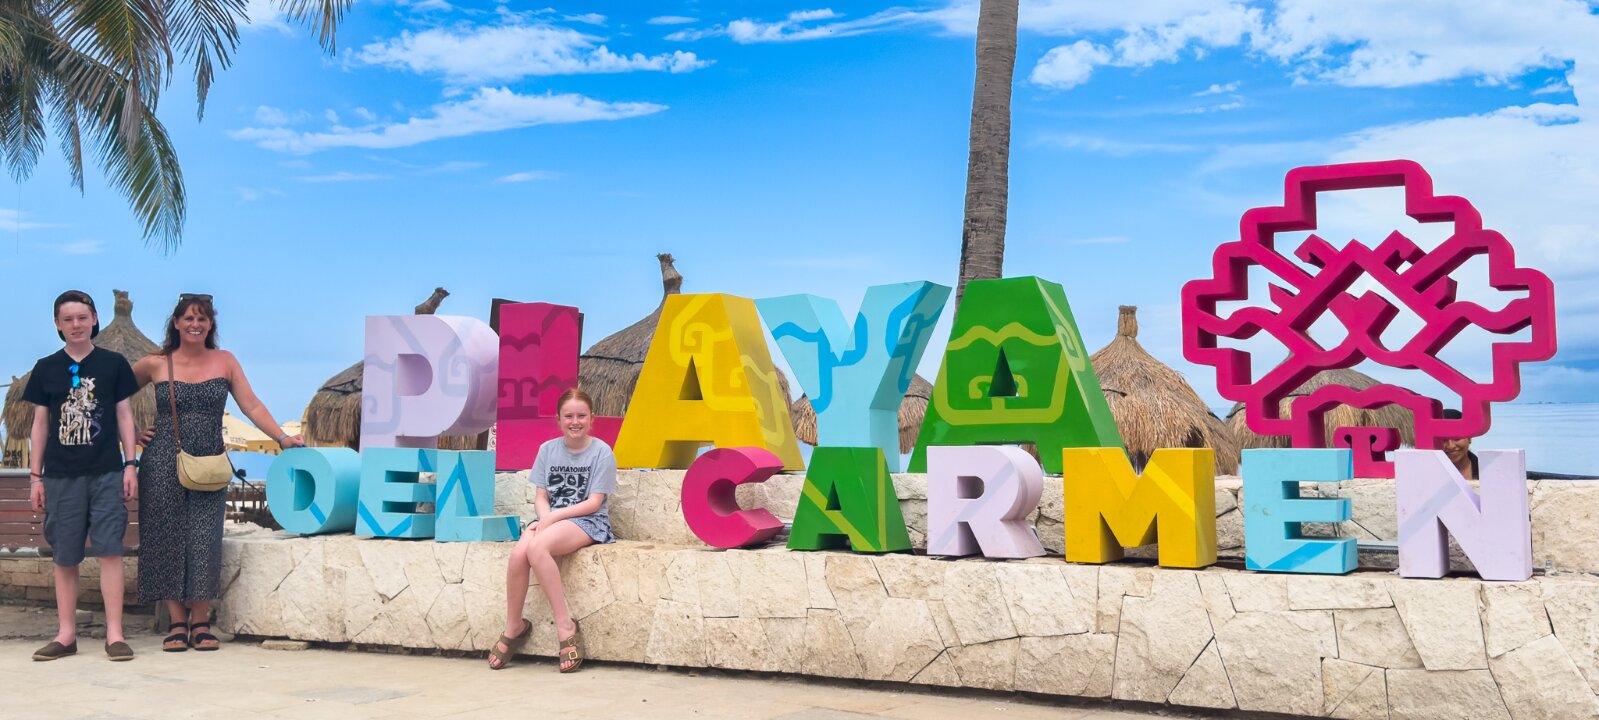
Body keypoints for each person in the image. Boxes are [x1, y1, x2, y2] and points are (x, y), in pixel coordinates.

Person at [131, 294, 304, 652]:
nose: (195, 324)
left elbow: (251, 404)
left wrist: (282, 438)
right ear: (176, 323)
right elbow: (112, 395)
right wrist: (132, 433)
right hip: (162, 458)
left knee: (204, 538)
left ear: (211, 324)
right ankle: (176, 623)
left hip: (209, 459)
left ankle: (201, 621)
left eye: (202, 319)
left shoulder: (225, 360)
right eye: (189, 318)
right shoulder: (155, 363)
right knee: (165, 537)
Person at [24, 290, 140, 662]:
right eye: (68, 319)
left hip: (107, 472)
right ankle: (66, 634)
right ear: (58, 325)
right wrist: (35, 477)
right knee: (65, 555)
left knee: (110, 551)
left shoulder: (114, 364)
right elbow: (40, 425)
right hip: (60, 476)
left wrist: (130, 465)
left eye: (82, 317)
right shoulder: (45, 368)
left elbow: (124, 416)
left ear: (94, 319)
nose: (76, 325)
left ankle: (115, 634)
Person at [489, 388, 616, 672]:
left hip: (587, 520)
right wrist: (546, 518)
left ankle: (565, 625)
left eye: (581, 416)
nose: (575, 422)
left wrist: (553, 519)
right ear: (558, 420)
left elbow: (594, 502)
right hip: (551, 518)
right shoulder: (547, 450)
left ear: (591, 418)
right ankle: (514, 625)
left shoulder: (602, 452)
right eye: (568, 416)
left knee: (537, 547)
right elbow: (541, 496)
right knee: (519, 553)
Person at [1439, 408, 1479, 480]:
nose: (1450, 446)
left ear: (1469, 438)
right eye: (1443, 439)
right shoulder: (1423, 474)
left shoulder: (1489, 471)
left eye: (1456, 438)